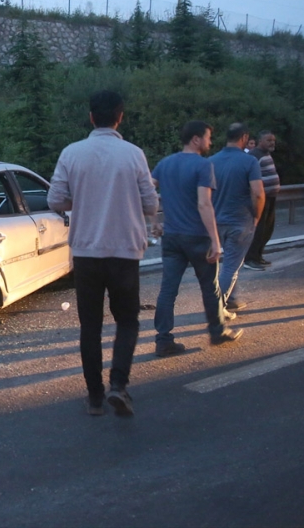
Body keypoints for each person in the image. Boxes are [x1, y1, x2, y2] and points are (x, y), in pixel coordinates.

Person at [48, 90, 158, 418]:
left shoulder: (72, 153)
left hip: (86, 251)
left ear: (91, 117)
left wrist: (82, 199)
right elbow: (151, 204)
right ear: (120, 117)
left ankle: (95, 397)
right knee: (127, 321)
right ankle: (118, 386)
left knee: (90, 326)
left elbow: (55, 200)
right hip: (125, 251)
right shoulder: (134, 154)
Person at [151, 120, 243, 357]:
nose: (210, 142)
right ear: (196, 139)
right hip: (197, 237)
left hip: (172, 237)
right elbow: (204, 204)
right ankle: (217, 331)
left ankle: (163, 340)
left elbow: (147, 191)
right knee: (210, 287)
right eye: (208, 137)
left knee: (168, 290)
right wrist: (215, 240)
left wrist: (154, 221)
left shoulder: (164, 163)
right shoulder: (203, 165)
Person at [209, 123, 264, 313]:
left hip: (215, 220)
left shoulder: (211, 161)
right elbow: (258, 193)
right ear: (244, 138)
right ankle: (217, 307)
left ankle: (231, 298)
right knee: (231, 266)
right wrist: (256, 217)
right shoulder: (249, 161)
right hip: (240, 220)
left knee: (223, 264)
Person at [244, 130, 280, 270]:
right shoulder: (254, 155)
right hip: (260, 198)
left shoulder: (266, 154)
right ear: (260, 141)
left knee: (267, 229)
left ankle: (258, 255)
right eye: (269, 140)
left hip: (270, 197)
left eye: (273, 140)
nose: (272, 143)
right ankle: (250, 258)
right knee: (258, 229)